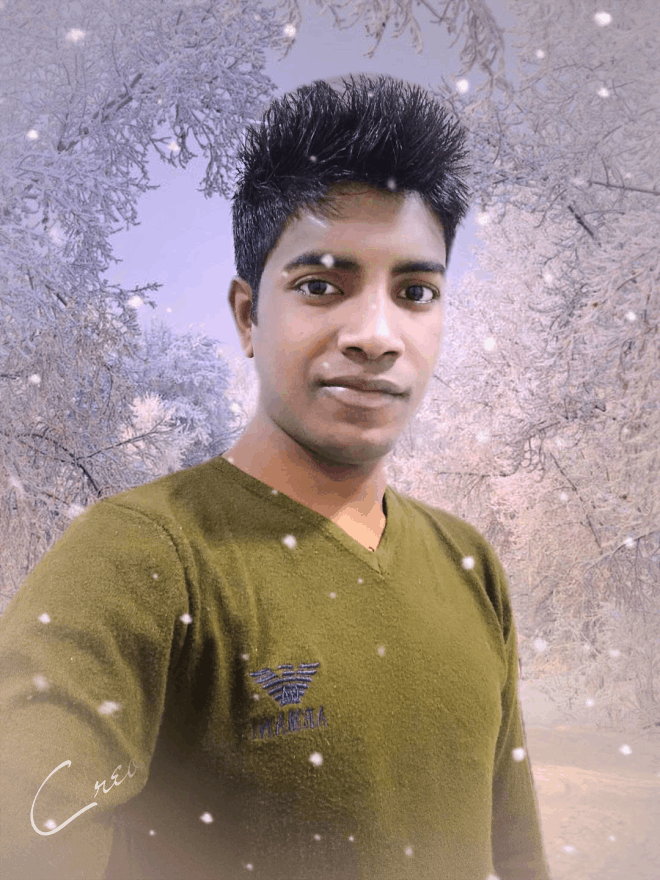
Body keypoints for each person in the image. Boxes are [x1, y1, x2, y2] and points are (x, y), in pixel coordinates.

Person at [0, 73, 551, 880]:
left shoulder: (469, 564)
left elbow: (516, 855)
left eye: (415, 291)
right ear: (248, 314)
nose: (375, 334)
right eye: (321, 286)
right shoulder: (138, 559)